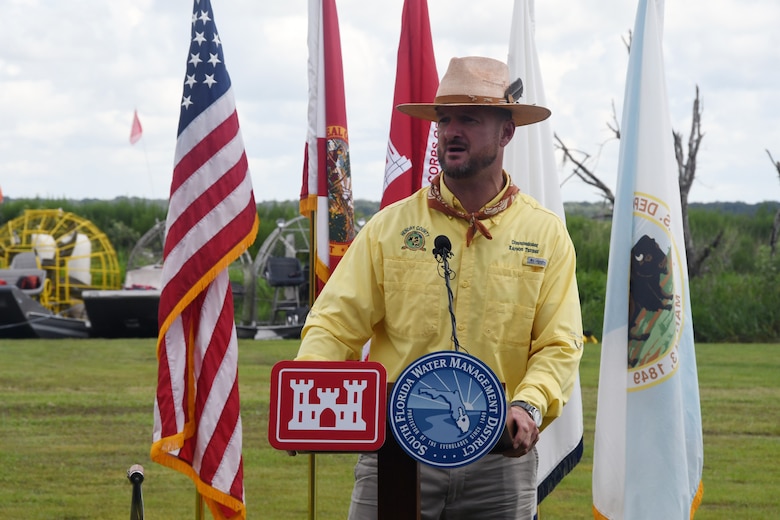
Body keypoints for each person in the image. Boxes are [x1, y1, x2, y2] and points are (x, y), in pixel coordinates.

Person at [293, 56, 584, 519]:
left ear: (507, 132)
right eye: (444, 119)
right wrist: (306, 394)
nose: (450, 131)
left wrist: (529, 406)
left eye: (469, 118)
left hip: (498, 466)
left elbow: (559, 343)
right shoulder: (390, 227)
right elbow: (335, 323)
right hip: (394, 452)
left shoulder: (545, 234)